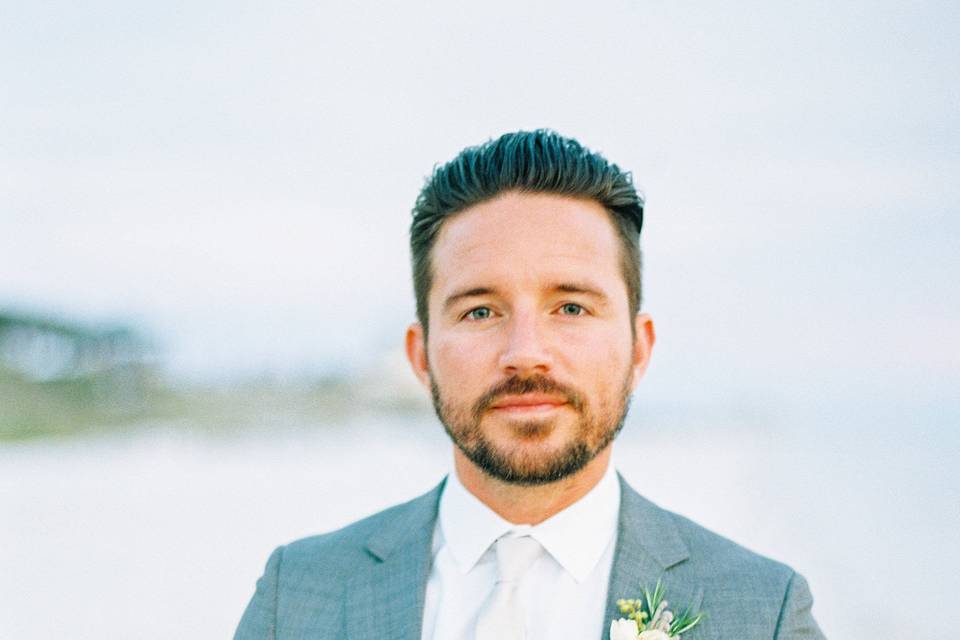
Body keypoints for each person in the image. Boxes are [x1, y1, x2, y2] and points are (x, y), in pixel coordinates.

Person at [234, 130, 826, 640]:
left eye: (570, 308)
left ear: (639, 347)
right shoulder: (299, 596)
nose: (525, 355)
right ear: (421, 355)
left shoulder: (761, 612)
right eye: (480, 312)